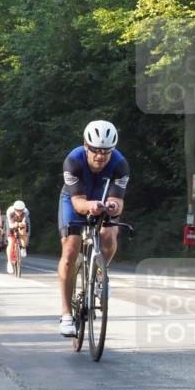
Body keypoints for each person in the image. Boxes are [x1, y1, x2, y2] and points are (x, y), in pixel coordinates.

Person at [58, 120, 130, 336]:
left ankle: (100, 273)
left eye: (106, 152)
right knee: (70, 251)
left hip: (103, 197)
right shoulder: (73, 161)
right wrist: (90, 206)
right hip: (74, 199)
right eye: (96, 150)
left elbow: (118, 203)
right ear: (85, 145)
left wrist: (113, 206)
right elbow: (78, 203)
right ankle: (66, 314)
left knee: (109, 235)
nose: (101, 156)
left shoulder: (120, 165)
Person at [5, 200, 31, 273]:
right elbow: (10, 225)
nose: (19, 212)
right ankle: (9, 262)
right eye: (17, 210)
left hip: (21, 222)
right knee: (11, 242)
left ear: (23, 209)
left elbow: (24, 222)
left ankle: (23, 248)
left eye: (21, 210)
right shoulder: (10, 211)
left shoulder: (26, 212)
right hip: (12, 222)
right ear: (14, 209)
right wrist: (14, 225)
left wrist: (21, 225)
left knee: (23, 232)